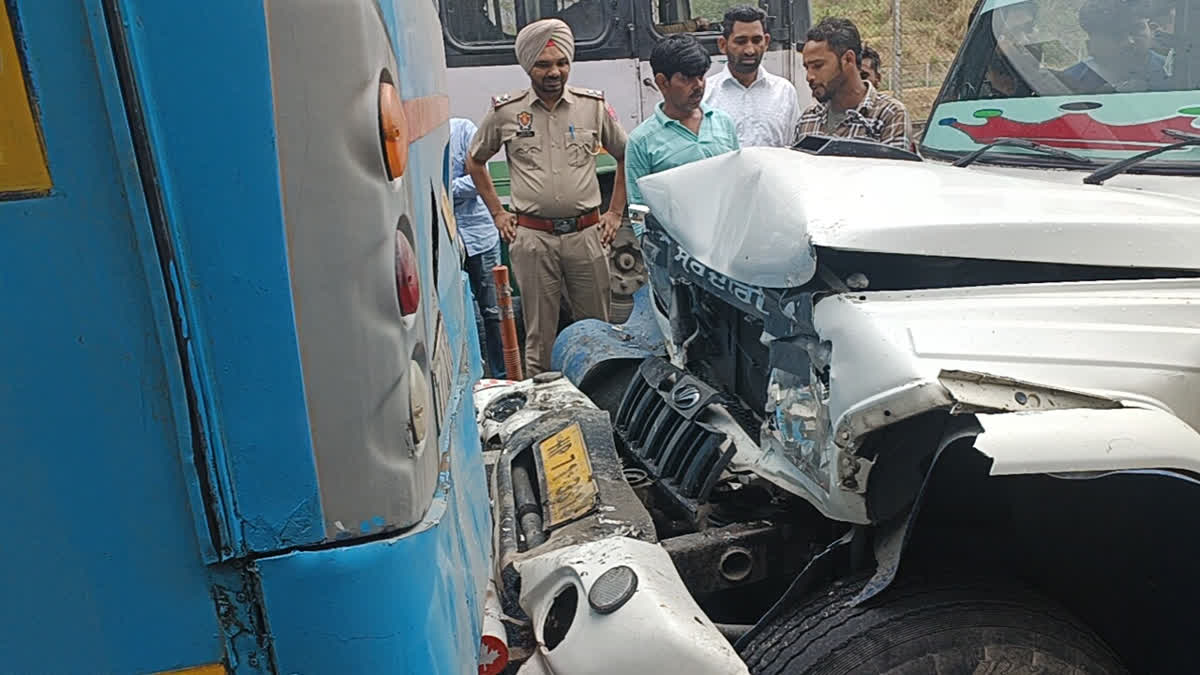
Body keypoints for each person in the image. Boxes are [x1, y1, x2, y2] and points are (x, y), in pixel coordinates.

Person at [466, 18, 628, 377]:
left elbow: (625, 155)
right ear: (528, 67)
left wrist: (615, 213)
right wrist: (498, 213)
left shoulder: (593, 106)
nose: (554, 72)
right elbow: (475, 161)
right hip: (533, 240)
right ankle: (543, 410)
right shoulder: (506, 112)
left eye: (561, 63)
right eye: (543, 64)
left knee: (598, 332)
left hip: (587, 236)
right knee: (540, 336)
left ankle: (602, 408)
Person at [625, 34, 740, 229]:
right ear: (663, 82)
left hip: (725, 244)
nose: (698, 86)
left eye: (701, 76)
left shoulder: (723, 122)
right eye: (686, 79)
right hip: (676, 252)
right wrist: (650, 246)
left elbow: (738, 183)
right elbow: (637, 208)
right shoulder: (641, 141)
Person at [794, 17, 911, 149]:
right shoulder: (808, 119)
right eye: (806, 68)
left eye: (818, 65)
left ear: (848, 59)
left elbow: (894, 168)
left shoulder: (888, 115)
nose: (809, 77)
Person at [449, 117, 506, 379]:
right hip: (447, 238)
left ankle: (501, 375)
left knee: (494, 312)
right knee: (461, 313)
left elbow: (477, 181)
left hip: (479, 235)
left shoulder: (462, 129)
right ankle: (474, 377)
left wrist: (444, 190)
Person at [702, 5, 801, 147]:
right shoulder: (705, 94)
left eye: (756, 40)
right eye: (741, 41)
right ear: (723, 44)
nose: (749, 50)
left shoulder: (784, 92)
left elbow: (792, 148)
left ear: (766, 42)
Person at [1059, 0, 1170, 93]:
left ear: (1152, 29)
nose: (1129, 41)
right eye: (1116, 34)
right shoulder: (1066, 85)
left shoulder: (1176, 75)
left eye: (1136, 29)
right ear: (1091, 46)